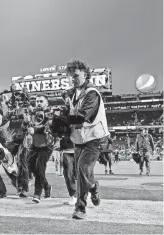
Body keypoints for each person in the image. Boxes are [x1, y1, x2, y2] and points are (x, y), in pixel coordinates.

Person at [64, 59, 110, 220]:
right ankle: (93, 187)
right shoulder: (72, 93)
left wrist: (63, 118)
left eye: (76, 75)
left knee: (82, 169)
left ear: (85, 74)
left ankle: (80, 208)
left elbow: (84, 116)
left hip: (96, 138)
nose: (72, 79)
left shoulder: (92, 93)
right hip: (80, 139)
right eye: (70, 76)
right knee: (81, 173)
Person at [28, 95, 53, 203]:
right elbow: (27, 126)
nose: (38, 103)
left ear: (46, 103)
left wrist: (34, 130)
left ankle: (37, 193)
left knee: (40, 166)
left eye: (41, 101)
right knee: (31, 166)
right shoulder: (33, 113)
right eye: (37, 101)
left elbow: (48, 126)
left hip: (47, 145)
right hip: (35, 144)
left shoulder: (50, 112)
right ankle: (47, 186)